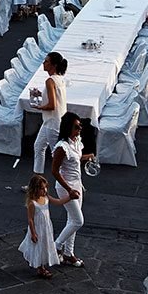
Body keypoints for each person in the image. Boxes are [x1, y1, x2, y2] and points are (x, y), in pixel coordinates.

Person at [50, 112, 96, 267]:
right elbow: (55, 171)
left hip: (77, 184)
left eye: (80, 126)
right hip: (66, 187)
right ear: (68, 128)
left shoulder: (76, 141)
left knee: (72, 220)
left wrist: (87, 157)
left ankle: (69, 253)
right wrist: (69, 190)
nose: (79, 129)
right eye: (76, 127)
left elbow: (75, 158)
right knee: (78, 220)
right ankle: (56, 246)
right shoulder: (61, 147)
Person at [18, 174, 73, 279]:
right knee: (38, 246)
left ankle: (42, 265)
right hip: (38, 228)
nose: (45, 190)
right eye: (42, 188)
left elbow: (58, 202)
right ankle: (40, 268)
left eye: (45, 188)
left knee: (45, 245)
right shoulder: (32, 203)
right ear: (35, 189)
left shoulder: (46, 197)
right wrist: (33, 233)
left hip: (46, 227)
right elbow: (30, 219)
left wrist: (69, 198)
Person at [28, 52, 69, 175]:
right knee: (38, 147)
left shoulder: (50, 81)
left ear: (54, 65)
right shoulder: (59, 79)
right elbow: (55, 97)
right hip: (51, 122)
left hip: (53, 124)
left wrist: (39, 107)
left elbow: (52, 105)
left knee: (57, 156)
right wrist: (40, 94)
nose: (43, 63)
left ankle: (68, 184)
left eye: (46, 61)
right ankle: (36, 183)